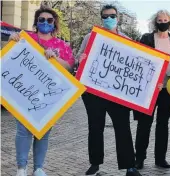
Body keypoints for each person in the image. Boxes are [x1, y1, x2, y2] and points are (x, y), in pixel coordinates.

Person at [76, 4, 141, 176]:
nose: (108, 19)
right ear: (101, 18)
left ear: (118, 17)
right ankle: (95, 164)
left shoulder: (126, 39)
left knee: (123, 128)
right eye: (105, 16)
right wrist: (80, 58)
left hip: (118, 93)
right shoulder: (90, 37)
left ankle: (130, 166)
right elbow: (78, 57)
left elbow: (133, 67)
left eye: (112, 16)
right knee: (95, 127)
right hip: (94, 92)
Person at [9, 6, 75, 176]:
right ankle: (21, 168)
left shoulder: (61, 45)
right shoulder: (25, 38)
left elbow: (69, 66)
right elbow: (10, 55)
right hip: (23, 91)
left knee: (43, 131)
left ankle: (38, 168)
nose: (45, 23)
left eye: (49, 20)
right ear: (36, 22)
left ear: (55, 24)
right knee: (23, 130)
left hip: (50, 96)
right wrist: (12, 39)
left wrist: (55, 58)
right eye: (42, 20)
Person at [132, 10, 170, 170]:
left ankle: (160, 158)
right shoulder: (146, 38)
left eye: (165, 19)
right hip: (148, 87)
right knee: (144, 123)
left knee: (163, 124)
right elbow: (140, 60)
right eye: (160, 20)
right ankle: (139, 158)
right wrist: (154, 81)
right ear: (155, 22)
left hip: (167, 88)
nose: (163, 22)